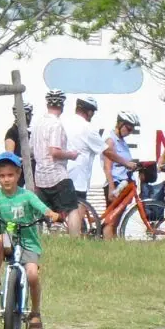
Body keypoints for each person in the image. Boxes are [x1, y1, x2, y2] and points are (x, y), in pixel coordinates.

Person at [0, 151, 61, 329]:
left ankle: (35, 314)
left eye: (10, 175)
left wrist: (51, 215)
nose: (6, 179)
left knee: (32, 275)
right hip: (8, 239)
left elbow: (42, 208)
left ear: (18, 174)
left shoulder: (27, 196)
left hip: (28, 242)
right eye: (2, 176)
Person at [30, 90, 81, 220]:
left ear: (47, 104)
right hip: (57, 175)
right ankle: (74, 239)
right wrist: (71, 155)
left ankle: (51, 238)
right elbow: (54, 151)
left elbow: (31, 149)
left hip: (40, 177)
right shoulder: (56, 124)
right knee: (71, 209)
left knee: (49, 214)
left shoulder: (38, 124)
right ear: (62, 105)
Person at [62, 95, 106, 234]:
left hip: (63, 172)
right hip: (79, 176)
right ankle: (75, 239)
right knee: (78, 209)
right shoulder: (87, 128)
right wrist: (125, 162)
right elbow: (106, 150)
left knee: (69, 209)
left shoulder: (64, 123)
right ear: (89, 111)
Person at [101, 111, 144, 239]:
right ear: (120, 124)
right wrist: (111, 187)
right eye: (128, 127)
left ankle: (113, 245)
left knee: (116, 220)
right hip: (115, 183)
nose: (130, 131)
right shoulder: (111, 140)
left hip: (124, 183)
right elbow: (107, 167)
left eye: (132, 129)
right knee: (111, 220)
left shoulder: (122, 141)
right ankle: (108, 247)